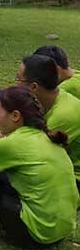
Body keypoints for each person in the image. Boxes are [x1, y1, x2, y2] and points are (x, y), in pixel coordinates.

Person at [0, 86, 77, 248]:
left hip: (36, 235)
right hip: (61, 230)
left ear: (15, 116)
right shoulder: (47, 136)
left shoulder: (13, 143)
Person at [16, 54, 80, 191]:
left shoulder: (62, 116)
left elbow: (30, 153)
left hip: (73, 179)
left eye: (18, 79)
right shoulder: (52, 99)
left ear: (34, 86)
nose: (16, 84)